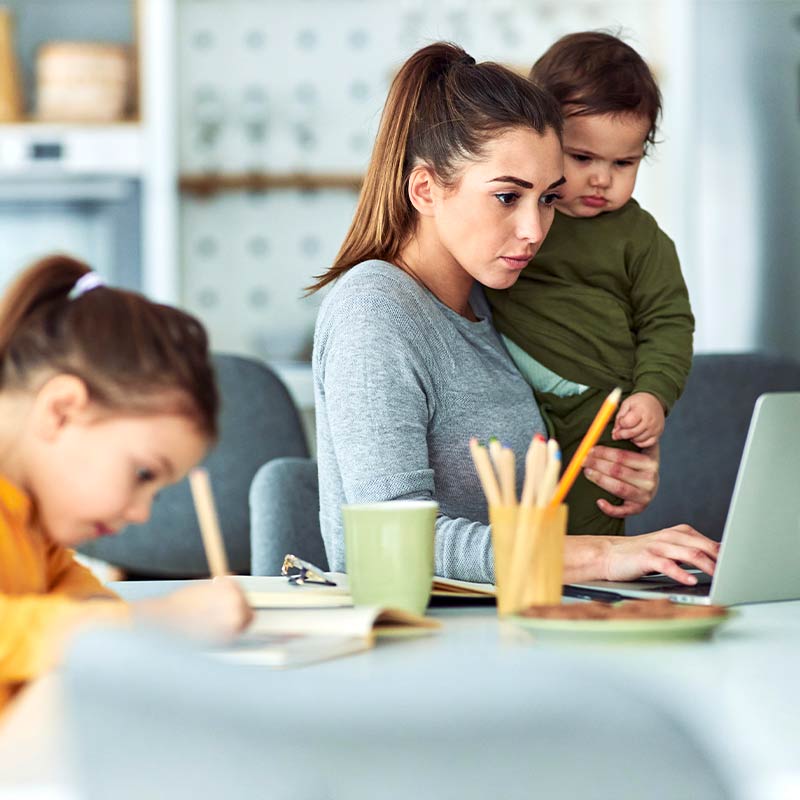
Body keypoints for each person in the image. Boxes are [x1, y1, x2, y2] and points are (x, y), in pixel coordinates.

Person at [309, 42, 717, 587]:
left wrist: (617, 471)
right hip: (425, 644)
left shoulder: (494, 300)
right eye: (507, 197)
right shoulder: (375, 312)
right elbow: (391, 538)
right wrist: (596, 557)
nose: (534, 231)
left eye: (549, 199)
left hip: (520, 620)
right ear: (426, 188)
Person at [0, 255, 252, 713]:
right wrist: (156, 621)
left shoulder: (33, 524)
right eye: (143, 474)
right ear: (60, 411)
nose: (141, 514)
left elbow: (81, 597)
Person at [486, 32, 694, 535]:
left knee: (588, 528)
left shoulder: (641, 239)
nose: (603, 179)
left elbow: (668, 323)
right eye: (582, 159)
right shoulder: (512, 217)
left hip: (598, 405)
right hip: (516, 391)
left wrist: (653, 395)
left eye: (624, 163)